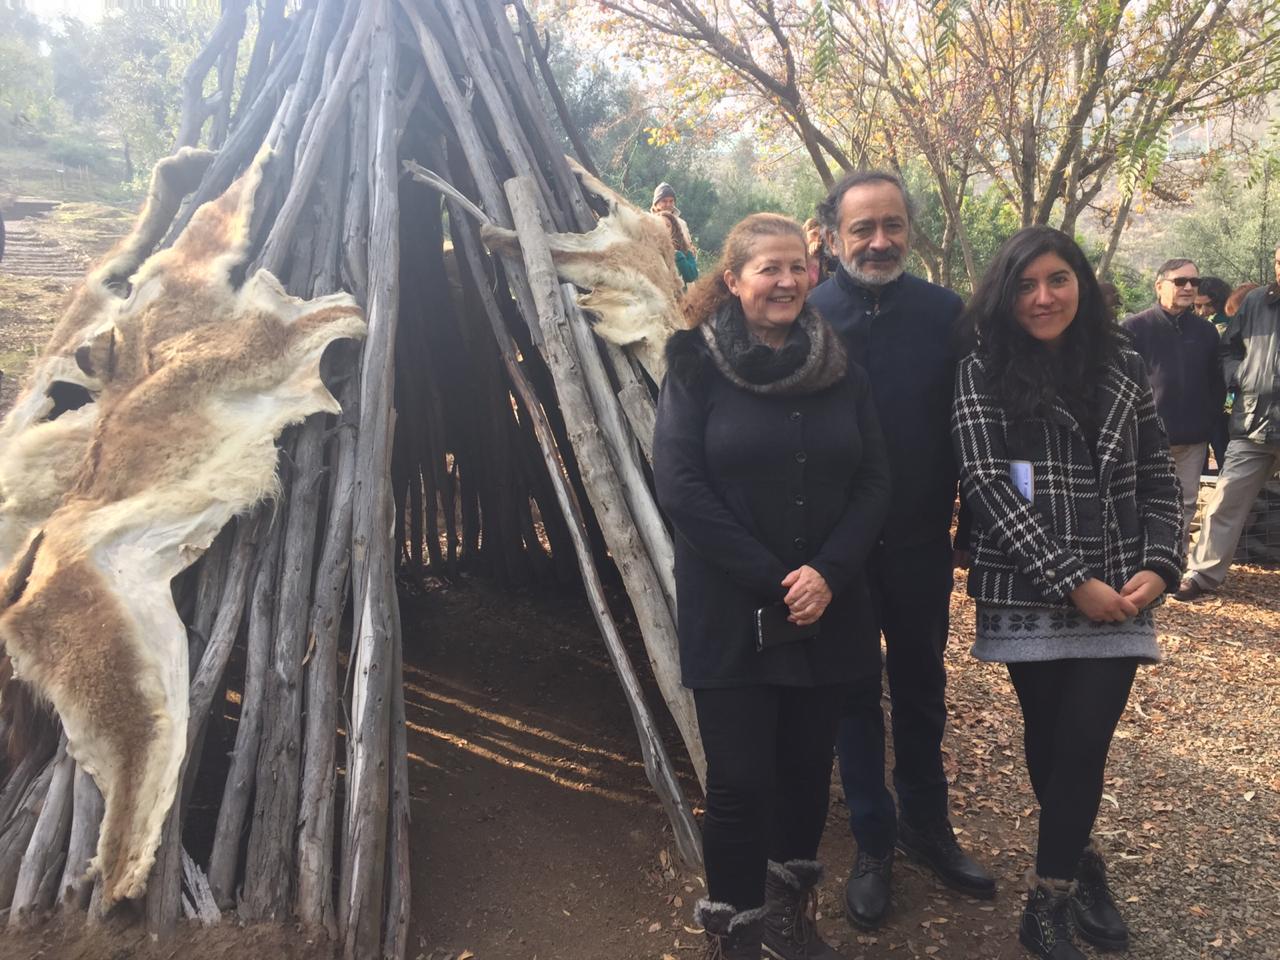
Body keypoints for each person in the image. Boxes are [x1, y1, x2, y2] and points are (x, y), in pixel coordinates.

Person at [654, 212, 891, 959]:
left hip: (829, 608)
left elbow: (875, 479)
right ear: (734, 280)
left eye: (797, 267)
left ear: (813, 274)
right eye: (768, 269)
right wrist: (776, 578)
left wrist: (828, 573)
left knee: (803, 772)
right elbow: (681, 487)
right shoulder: (694, 364)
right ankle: (739, 932)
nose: (786, 281)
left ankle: (789, 918)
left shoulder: (841, 365)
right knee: (739, 781)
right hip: (732, 608)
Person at [952, 226, 1183, 960]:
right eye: (1025, 285)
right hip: (1029, 585)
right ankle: (1079, 858)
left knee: (1086, 737)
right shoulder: (981, 368)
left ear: (1081, 282)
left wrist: (1162, 563)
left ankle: (1047, 898)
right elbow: (987, 485)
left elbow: (1156, 473)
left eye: (1057, 279)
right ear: (1004, 293)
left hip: (1119, 585)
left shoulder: (1119, 360)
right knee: (1049, 735)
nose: (1043, 297)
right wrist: (1068, 581)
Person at [808, 170, 995, 930]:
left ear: (909, 231)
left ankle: (927, 825)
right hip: (838, 554)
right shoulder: (808, 317)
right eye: (863, 229)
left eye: (892, 225)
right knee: (854, 697)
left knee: (921, 689)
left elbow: (981, 433)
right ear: (833, 235)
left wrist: (973, 535)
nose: (879, 241)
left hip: (921, 543)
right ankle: (873, 841)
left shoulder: (948, 317)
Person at [1175, 244, 1280, 601]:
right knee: (1225, 500)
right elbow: (1229, 349)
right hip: (1254, 421)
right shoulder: (1256, 303)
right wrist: (1242, 376)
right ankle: (1202, 575)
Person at [1121, 259, 1222, 545]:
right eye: (1180, 281)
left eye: (1194, 282)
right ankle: (1138, 561)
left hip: (1192, 438)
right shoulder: (1134, 328)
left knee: (1185, 503)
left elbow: (1216, 382)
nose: (1189, 287)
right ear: (1159, 286)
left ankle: (1169, 563)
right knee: (1140, 500)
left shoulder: (1206, 332)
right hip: (1145, 438)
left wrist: (1208, 419)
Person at [1195, 277, 1232, 473]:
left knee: (1224, 452)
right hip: (1199, 401)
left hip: (1225, 400)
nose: (1203, 312)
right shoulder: (1192, 326)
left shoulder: (1230, 323)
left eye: (1208, 305)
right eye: (1197, 306)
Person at [652, 182, 697, 255]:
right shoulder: (650, 222)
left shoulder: (682, 223)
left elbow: (690, 248)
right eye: (664, 201)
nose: (668, 204)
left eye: (671, 201)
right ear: (656, 204)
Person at [660, 209, 699, 285]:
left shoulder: (685, 250)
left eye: (667, 226)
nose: (664, 229)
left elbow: (691, 276)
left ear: (673, 228)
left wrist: (678, 255)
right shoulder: (652, 250)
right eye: (660, 226)